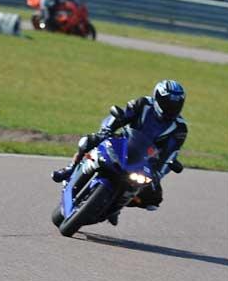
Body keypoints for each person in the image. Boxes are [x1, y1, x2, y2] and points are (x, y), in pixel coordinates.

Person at [51, 80, 188, 222]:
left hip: (145, 160)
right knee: (89, 141)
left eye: (176, 105)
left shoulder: (179, 128)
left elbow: (171, 153)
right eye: (168, 103)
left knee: (153, 198)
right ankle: (70, 169)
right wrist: (106, 131)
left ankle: (116, 206)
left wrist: (158, 173)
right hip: (122, 142)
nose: (171, 108)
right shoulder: (143, 104)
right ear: (158, 97)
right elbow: (121, 116)